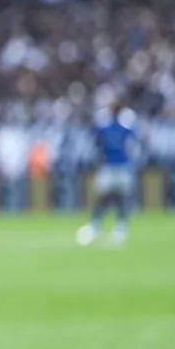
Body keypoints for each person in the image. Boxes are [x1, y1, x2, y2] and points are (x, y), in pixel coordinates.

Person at [75, 101, 140, 247]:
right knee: (104, 197)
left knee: (120, 197)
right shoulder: (107, 128)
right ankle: (96, 225)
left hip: (121, 166)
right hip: (110, 166)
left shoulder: (123, 128)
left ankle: (120, 226)